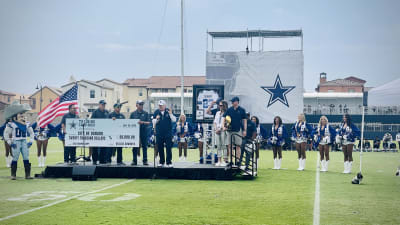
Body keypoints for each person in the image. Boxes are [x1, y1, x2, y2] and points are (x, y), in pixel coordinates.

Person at [3, 101, 34, 180]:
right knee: (15, 157)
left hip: (24, 141)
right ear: (15, 116)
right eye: (20, 114)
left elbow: (31, 133)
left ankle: (27, 174)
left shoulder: (26, 123)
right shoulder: (11, 124)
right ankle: (13, 175)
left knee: (26, 157)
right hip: (16, 141)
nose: (22, 115)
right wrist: (10, 142)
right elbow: (5, 134)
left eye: (22, 114)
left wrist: (31, 141)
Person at [222, 96, 247, 165]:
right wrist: (223, 126)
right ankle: (231, 161)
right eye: (232, 102)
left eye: (233, 101)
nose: (232, 103)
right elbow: (224, 117)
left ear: (237, 102)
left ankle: (238, 161)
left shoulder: (242, 110)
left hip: (238, 130)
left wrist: (245, 130)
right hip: (230, 130)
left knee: (238, 146)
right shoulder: (229, 109)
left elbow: (245, 121)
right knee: (230, 146)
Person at [152, 100, 176, 167]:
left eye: (162, 105)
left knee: (168, 147)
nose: (160, 106)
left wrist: (171, 114)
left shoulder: (168, 111)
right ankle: (161, 162)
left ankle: (169, 162)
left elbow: (174, 120)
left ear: (165, 105)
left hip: (168, 133)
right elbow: (153, 122)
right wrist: (156, 119)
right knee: (160, 147)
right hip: (159, 133)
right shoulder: (156, 112)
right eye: (159, 105)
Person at [130, 100, 150, 166]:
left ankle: (145, 160)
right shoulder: (133, 114)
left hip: (144, 131)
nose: (141, 106)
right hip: (135, 132)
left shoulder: (146, 113)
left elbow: (149, 122)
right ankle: (134, 160)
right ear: (136, 105)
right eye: (140, 104)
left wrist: (142, 122)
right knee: (135, 146)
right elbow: (129, 123)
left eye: (142, 104)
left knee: (144, 146)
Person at [91, 100, 109, 165]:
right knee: (95, 147)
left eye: (104, 104)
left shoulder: (107, 112)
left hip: (105, 132)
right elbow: (91, 122)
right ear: (99, 105)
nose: (103, 105)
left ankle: (102, 160)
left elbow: (109, 121)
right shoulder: (95, 112)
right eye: (102, 104)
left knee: (104, 147)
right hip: (96, 132)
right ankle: (94, 160)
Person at [214, 100, 228, 166]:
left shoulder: (227, 113)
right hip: (217, 131)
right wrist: (216, 129)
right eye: (219, 105)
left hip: (223, 131)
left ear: (224, 106)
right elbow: (215, 122)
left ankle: (225, 161)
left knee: (224, 146)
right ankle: (219, 161)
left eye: (221, 105)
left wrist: (222, 128)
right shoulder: (217, 113)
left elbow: (228, 123)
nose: (220, 106)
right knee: (218, 146)